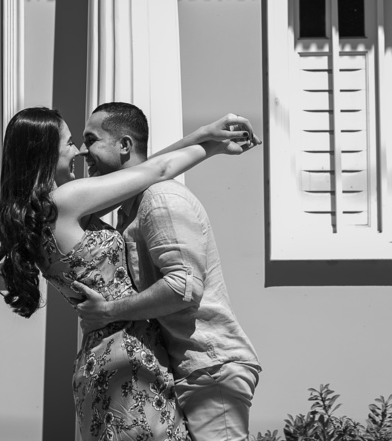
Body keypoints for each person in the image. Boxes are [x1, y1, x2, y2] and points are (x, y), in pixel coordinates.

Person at [0, 106, 259, 441]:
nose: (78, 152)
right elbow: (157, 170)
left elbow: (141, 172)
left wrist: (204, 136)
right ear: (45, 152)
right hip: (129, 359)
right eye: (69, 143)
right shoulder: (67, 200)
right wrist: (210, 143)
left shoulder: (38, 216)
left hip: (97, 361)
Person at [72, 102, 262, 441]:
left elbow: (182, 287)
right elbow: (152, 168)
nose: (83, 151)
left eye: (91, 140)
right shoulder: (134, 204)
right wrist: (203, 137)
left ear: (124, 145)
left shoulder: (160, 199)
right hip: (188, 369)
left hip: (208, 368)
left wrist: (108, 311)